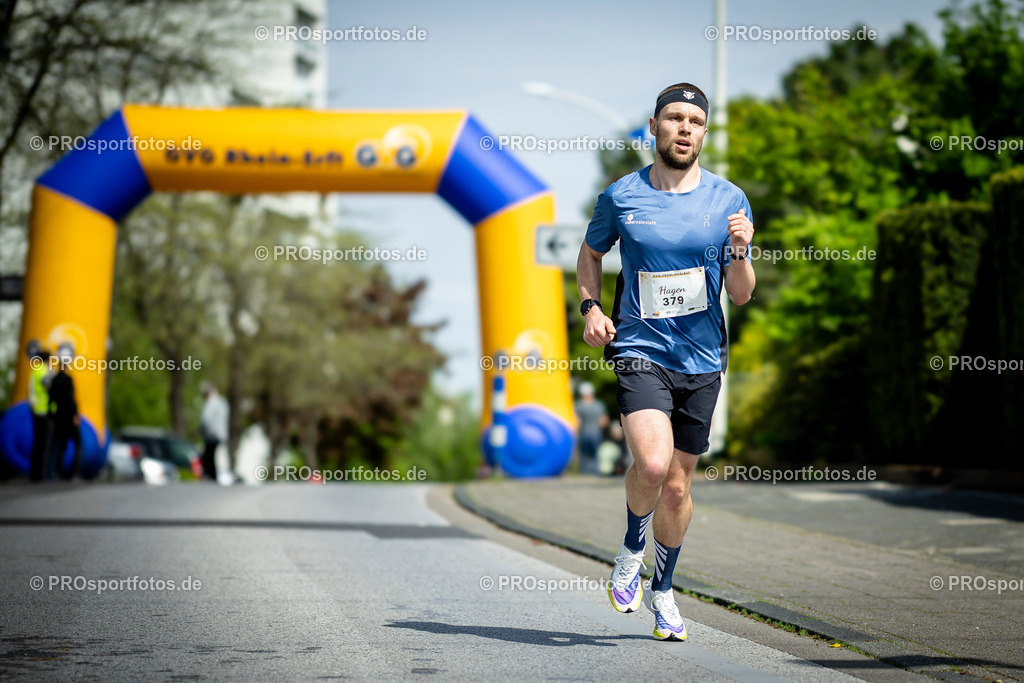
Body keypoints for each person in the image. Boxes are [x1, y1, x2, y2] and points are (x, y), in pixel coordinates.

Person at [576, 82, 755, 641]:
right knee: (652, 467)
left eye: (695, 121)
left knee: (678, 487)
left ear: (703, 133)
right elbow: (590, 253)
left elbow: (742, 293)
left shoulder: (730, 200)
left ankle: (663, 588)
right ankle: (632, 545)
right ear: (653, 127)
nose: (684, 128)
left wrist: (743, 252)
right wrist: (590, 307)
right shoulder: (622, 196)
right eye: (673, 118)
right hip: (639, 348)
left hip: (701, 357)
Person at [47, 342, 81, 481]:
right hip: (68, 417)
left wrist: (50, 416)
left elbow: (51, 399)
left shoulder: (54, 380)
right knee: (78, 444)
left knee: (59, 446)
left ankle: (54, 473)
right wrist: (75, 415)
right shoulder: (68, 380)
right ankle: (73, 473)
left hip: (57, 417)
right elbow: (70, 399)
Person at [26, 340, 51, 483]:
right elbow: (49, 389)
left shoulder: (34, 370)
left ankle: (33, 473)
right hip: (44, 412)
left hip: (34, 410)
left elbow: (30, 391)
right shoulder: (45, 372)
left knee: (36, 443)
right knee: (42, 444)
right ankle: (39, 474)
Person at [573, 382, 607, 475]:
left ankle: (584, 474)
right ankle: (595, 474)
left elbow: (576, 422)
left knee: (584, 455)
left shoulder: (578, 405)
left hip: (583, 433)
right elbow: (603, 421)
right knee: (595, 455)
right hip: (596, 433)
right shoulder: (599, 405)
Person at [199, 382, 229, 482]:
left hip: (212, 435)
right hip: (221, 434)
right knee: (213, 456)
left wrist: (203, 431)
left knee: (208, 456)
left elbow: (205, 419)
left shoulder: (211, 402)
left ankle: (210, 476)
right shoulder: (223, 402)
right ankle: (213, 476)